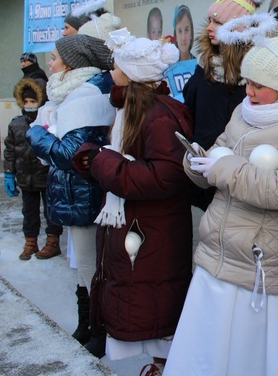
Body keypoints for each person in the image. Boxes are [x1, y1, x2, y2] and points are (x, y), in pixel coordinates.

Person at [164, 18, 278, 375]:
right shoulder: (244, 112)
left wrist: (224, 169)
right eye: (247, 83)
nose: (248, 92)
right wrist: (197, 163)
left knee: (250, 357)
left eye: (259, 85)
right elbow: (221, 151)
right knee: (206, 352)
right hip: (218, 254)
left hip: (259, 266)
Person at [73, 30, 193, 375]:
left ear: (132, 73)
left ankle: (165, 367)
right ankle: (159, 366)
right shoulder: (133, 109)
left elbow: (164, 177)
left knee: (156, 314)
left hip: (151, 230)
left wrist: (102, 162)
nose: (112, 67)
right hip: (137, 225)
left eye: (117, 63)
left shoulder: (157, 116)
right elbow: (124, 159)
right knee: (144, 306)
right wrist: (92, 160)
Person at [25, 33, 116, 355]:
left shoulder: (87, 97)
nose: (49, 63)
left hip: (84, 193)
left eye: (54, 57)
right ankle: (86, 325)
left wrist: (34, 132)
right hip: (73, 192)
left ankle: (98, 332)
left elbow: (67, 154)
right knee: (81, 263)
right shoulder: (72, 94)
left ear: (73, 63)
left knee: (90, 263)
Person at [181, 0, 267, 209]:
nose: (209, 28)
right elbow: (187, 115)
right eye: (210, 20)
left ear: (237, 29)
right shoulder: (203, 69)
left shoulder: (258, 73)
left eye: (217, 23)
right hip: (203, 174)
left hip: (241, 180)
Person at [3, 77, 62, 260]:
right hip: (25, 177)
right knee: (29, 212)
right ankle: (30, 242)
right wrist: (9, 174)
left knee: (51, 210)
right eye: (26, 101)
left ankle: (53, 242)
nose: (29, 105)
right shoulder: (16, 124)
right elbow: (10, 151)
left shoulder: (49, 120)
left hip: (46, 176)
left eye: (33, 101)